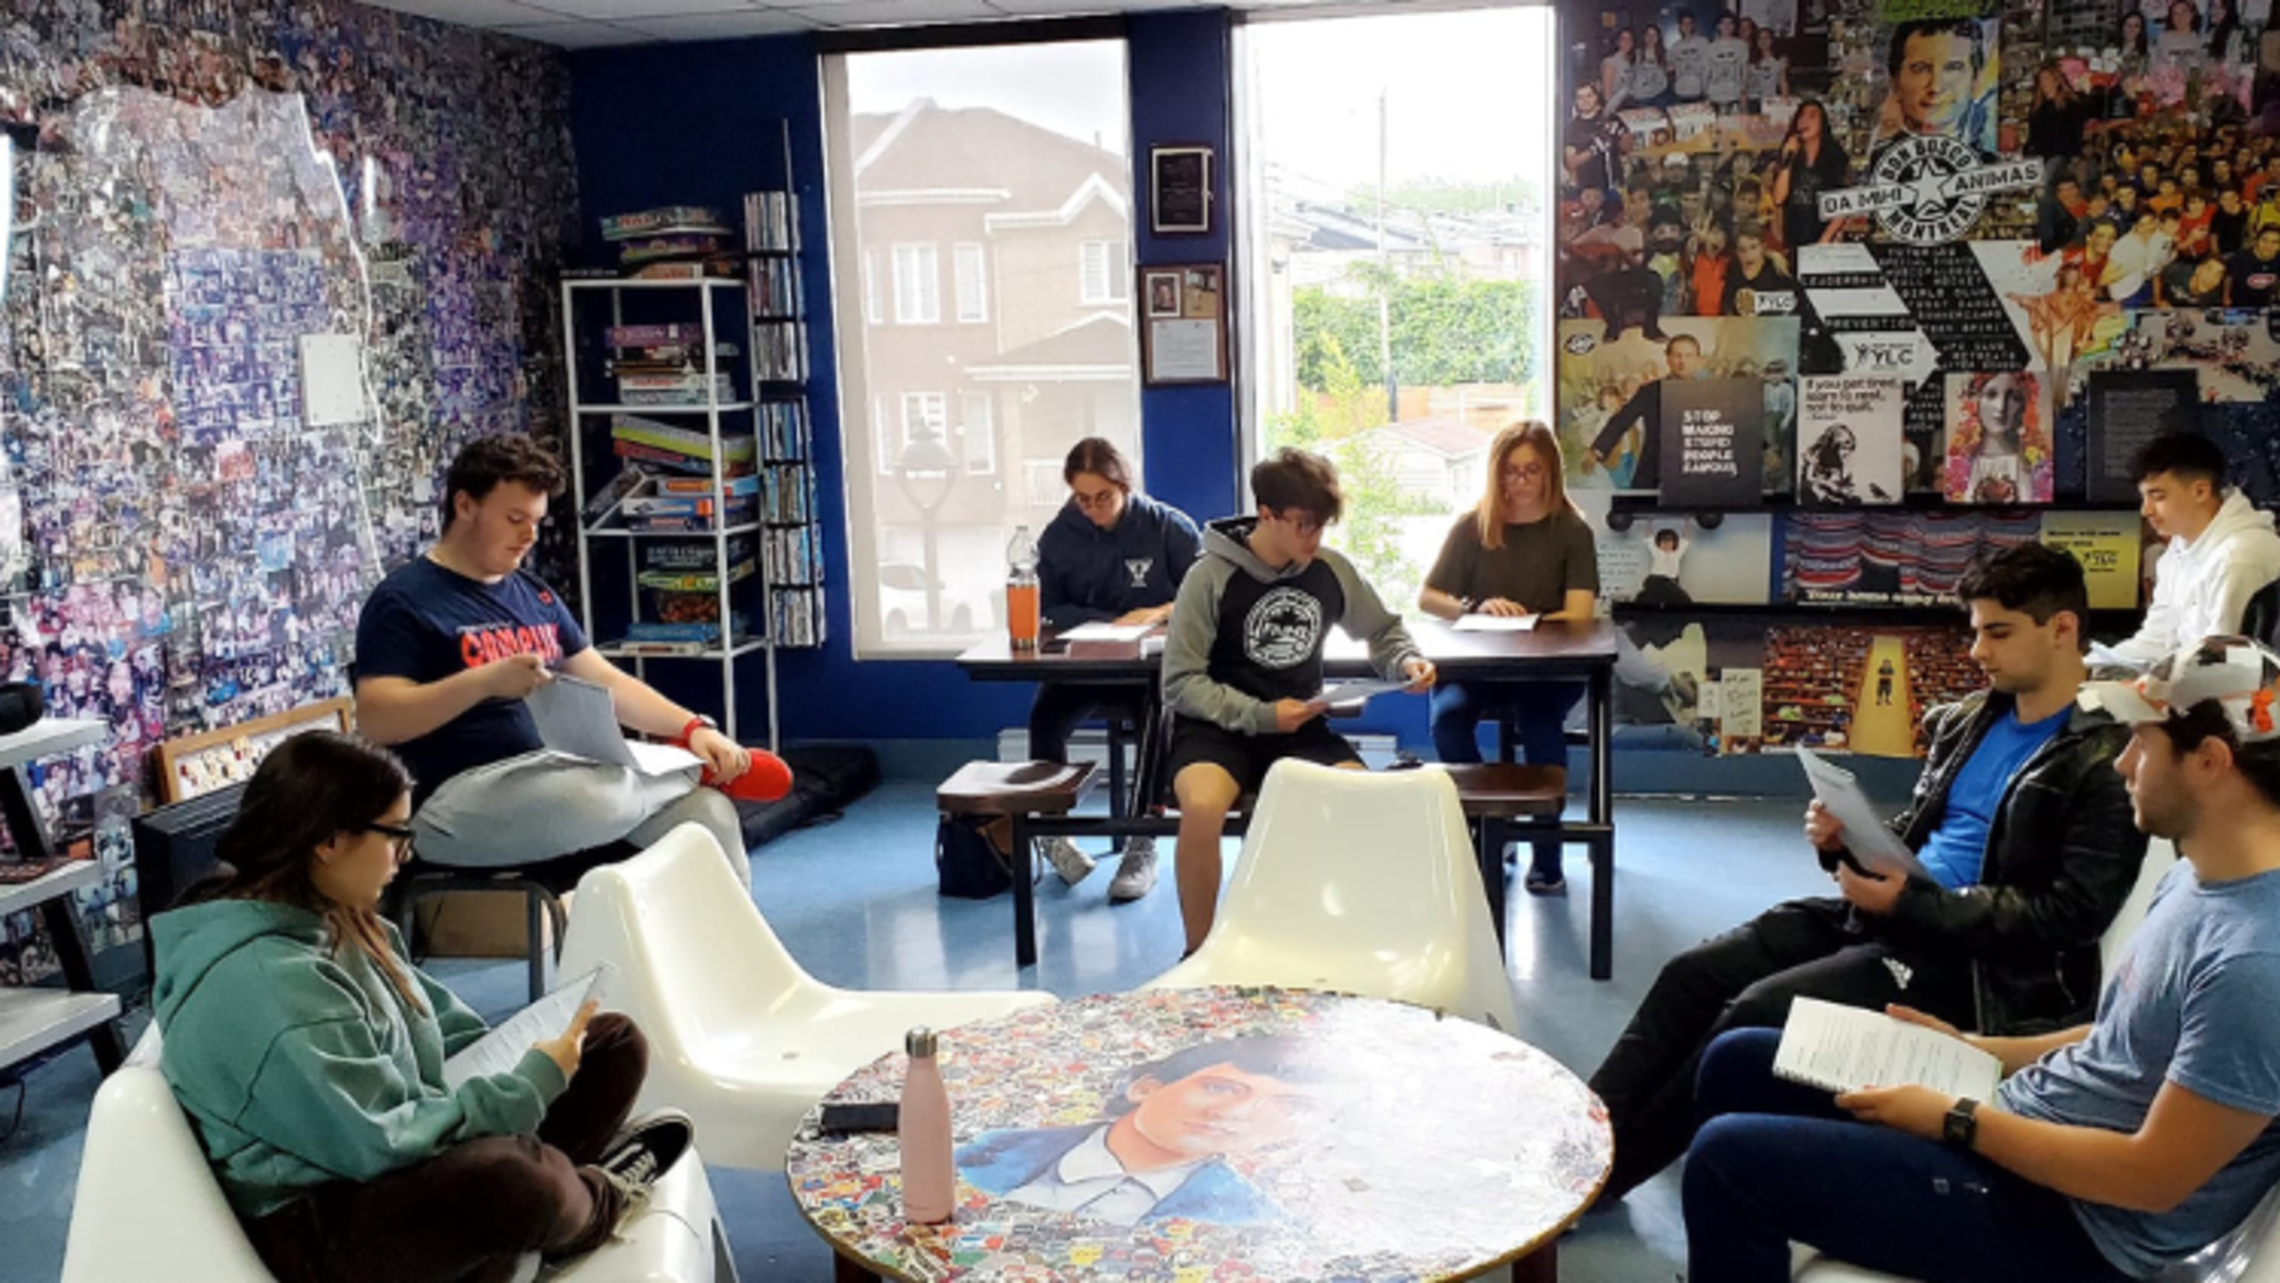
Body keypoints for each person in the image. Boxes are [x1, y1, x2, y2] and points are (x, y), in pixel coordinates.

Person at [1683, 635, 2280, 1281]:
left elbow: (2150, 1178)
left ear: (2211, 761)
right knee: (1739, 1057)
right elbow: (2123, 1039)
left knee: (1726, 1162)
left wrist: (1958, 1119)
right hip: (2031, 1132)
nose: (2121, 764)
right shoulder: (2199, 875)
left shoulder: (2256, 962)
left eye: (2142, 742)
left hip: (2077, 1227)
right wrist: (1976, 1048)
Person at [1585, 542, 2147, 1205]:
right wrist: (1843, 844)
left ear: (2063, 629)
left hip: (1967, 964)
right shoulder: (1971, 718)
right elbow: (1917, 830)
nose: (1977, 652)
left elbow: (2068, 914)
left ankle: (1599, 1180)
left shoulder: (2106, 757)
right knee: (1692, 973)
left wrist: (1913, 905)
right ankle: (1579, 1144)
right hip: (1890, 912)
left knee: (1753, 1012)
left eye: (1998, 632)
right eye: (1974, 632)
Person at [149, 731, 694, 1283]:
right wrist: (528, 1086)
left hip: (386, 1148)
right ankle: (597, 1199)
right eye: (394, 837)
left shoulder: (340, 916)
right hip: (320, 1217)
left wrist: (527, 1060)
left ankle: (545, 1211)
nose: (404, 857)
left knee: (613, 1043)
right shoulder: (265, 985)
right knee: (511, 1179)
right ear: (329, 841)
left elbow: (449, 1037)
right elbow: (381, 1141)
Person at [353, 436, 784, 886]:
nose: (530, 536)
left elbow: (604, 680)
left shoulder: (533, 592)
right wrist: (482, 682)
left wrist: (691, 728)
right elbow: (379, 720)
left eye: (537, 521)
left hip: (554, 773)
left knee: (707, 816)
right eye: (515, 519)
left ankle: (725, 953)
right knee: (598, 797)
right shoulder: (404, 601)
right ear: (465, 506)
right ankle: (691, 772)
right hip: (454, 803)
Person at [1161, 449, 1435, 955]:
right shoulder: (1209, 577)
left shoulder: (1330, 570)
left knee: (1361, 799)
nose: (1315, 539)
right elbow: (1180, 683)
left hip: (1301, 728)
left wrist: (1405, 663)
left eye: (1322, 527)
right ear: (1267, 515)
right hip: (1217, 729)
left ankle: (1330, 937)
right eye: (1304, 526)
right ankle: (1196, 952)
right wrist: (1262, 715)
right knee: (1201, 808)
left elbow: (1383, 630)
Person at [1417, 423, 1598, 893]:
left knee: (1538, 724)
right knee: (1447, 719)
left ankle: (1546, 851)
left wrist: (1525, 620)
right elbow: (1428, 597)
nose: (1518, 482)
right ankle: (1492, 828)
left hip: (1547, 669)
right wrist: (1475, 608)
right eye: (1509, 472)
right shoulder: (1473, 526)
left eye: (1530, 471)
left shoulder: (1571, 530)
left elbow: (1579, 613)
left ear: (1549, 473)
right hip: (1478, 666)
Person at [1030, 437, 1202, 901]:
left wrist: (1156, 612)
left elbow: (1204, 594)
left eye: (1103, 497)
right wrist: (1103, 624)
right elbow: (1048, 605)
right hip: (1086, 662)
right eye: (1082, 499)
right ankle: (1053, 833)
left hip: (1146, 670)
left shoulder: (1168, 528)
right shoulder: (1060, 535)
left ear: (1125, 486)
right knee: (1044, 717)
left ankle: (1142, 839)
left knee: (1156, 716)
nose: (1092, 508)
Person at [956, 1036, 1329, 1226]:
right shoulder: (984, 1151)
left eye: (1287, 1105)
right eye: (1218, 1087)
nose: (1235, 1113)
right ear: (1145, 1088)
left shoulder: (1252, 1216)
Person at [2110, 432, 2280, 666]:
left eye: (2157, 496)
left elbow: (2222, 665)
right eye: (2144, 498)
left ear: (2200, 491)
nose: (2146, 511)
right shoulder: (2179, 548)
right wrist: (2091, 668)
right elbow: (2156, 639)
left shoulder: (2240, 557)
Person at [1591, 331, 1707, 490]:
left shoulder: (1710, 393)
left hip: (1699, 466)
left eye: (1688, 356)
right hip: (1655, 467)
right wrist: (1598, 449)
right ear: (1668, 358)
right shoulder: (1650, 391)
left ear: (1698, 360)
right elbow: (1623, 419)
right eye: (1677, 355)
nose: (1682, 361)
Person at [1876, 17, 1990, 151]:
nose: (1936, 86)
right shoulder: (1871, 160)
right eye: (1921, 68)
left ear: (1976, 80)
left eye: (1952, 68)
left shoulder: (1996, 164)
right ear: (1895, 82)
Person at [1945, 371, 2050, 504]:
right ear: (1976, 401)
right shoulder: (1955, 464)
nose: (2001, 407)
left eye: (2013, 397)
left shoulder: (2039, 465)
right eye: (1991, 395)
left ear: (2023, 406)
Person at [1770, 100, 1848, 251]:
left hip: (1824, 238)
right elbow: (1779, 198)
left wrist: (1825, 239)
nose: (1805, 120)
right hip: (1795, 238)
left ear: (1822, 123)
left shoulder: (1835, 157)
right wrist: (1788, 160)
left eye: (1812, 116)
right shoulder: (1790, 156)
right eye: (1802, 116)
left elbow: (1843, 202)